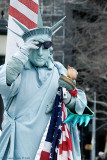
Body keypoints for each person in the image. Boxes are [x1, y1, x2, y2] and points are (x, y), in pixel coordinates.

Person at [0, 10, 93, 160]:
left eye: (46, 45)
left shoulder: (60, 70)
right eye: (35, 46)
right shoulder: (17, 70)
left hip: (52, 146)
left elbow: (79, 106)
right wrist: (22, 54)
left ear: (51, 48)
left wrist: (67, 97)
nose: (40, 52)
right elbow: (5, 85)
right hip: (20, 147)